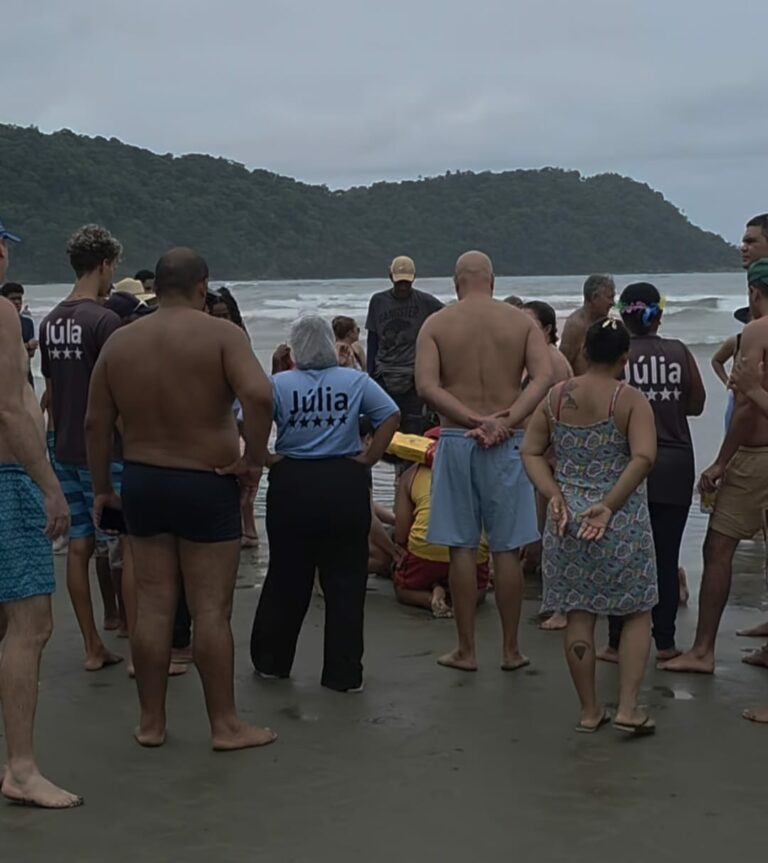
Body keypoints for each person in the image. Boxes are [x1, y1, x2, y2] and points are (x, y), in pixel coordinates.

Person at [86, 248, 275, 750]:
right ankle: (225, 725)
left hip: (145, 480)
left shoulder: (122, 342)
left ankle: (151, 724)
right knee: (210, 610)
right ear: (201, 287)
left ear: (157, 287)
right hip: (205, 481)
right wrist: (253, 459)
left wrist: (104, 487)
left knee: (152, 606)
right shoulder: (222, 336)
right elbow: (259, 396)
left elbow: (95, 423)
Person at [415, 250, 552, 672]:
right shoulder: (520, 323)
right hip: (507, 443)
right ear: (492, 280)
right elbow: (544, 377)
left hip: (457, 439)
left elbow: (426, 386)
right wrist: (506, 419)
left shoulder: (436, 324)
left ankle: (467, 650)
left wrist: (473, 419)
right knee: (508, 550)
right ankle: (510, 650)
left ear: (457, 282)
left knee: (461, 547)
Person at [522, 318, 658, 735]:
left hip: (566, 523)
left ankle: (588, 710)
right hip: (620, 522)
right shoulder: (629, 399)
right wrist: (610, 505)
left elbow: (530, 451)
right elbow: (644, 457)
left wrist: (555, 494)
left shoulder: (556, 397)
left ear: (582, 352)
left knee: (579, 614)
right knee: (635, 613)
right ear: (624, 359)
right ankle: (629, 708)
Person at [251, 316, 400, 692]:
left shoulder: (278, 384)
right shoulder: (354, 381)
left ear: (295, 350)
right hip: (342, 480)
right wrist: (369, 458)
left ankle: (272, 661)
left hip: (293, 481)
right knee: (345, 581)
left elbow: (247, 415)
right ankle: (343, 674)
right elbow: (391, 414)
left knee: (287, 576)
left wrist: (263, 456)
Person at [0, 218, 81, 809]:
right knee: (30, 626)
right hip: (7, 480)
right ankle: (22, 769)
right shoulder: (3, 314)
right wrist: (49, 487)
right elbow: (9, 409)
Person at [660, 257, 768, 676]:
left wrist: (721, 461)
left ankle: (703, 650)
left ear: (754, 293)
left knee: (718, 547)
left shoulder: (755, 332)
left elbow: (744, 405)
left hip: (755, 457)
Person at [594, 283, 705, 665]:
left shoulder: (617, 359)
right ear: (659, 315)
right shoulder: (678, 351)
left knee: (620, 555)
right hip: (675, 462)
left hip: (625, 466)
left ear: (622, 315)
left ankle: (613, 641)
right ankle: (666, 643)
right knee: (666, 554)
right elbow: (697, 404)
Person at [39, 225, 124, 672]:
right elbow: (118, 392)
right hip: (103, 454)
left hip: (64, 447)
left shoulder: (51, 321)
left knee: (79, 544)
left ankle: (93, 644)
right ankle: (132, 639)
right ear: (105, 264)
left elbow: (51, 390)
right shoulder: (104, 321)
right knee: (120, 542)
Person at [394, 428, 489, 618]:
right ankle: (456, 599)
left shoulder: (411, 474)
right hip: (472, 551)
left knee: (402, 588)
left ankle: (429, 598)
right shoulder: (480, 470)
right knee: (480, 590)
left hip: (426, 549)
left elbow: (401, 533)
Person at [521, 300, 573, 629]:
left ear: (548, 329)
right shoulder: (538, 359)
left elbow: (550, 414)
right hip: (543, 455)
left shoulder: (551, 361)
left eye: (529, 324)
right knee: (547, 530)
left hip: (553, 456)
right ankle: (553, 600)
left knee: (557, 531)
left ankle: (563, 607)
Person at [366, 256, 443, 435]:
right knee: (384, 426)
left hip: (413, 377)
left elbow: (450, 319)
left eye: (406, 283)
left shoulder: (426, 302)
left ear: (414, 278)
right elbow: (373, 339)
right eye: (399, 282)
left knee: (413, 427)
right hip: (384, 374)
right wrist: (369, 377)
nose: (402, 287)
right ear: (390, 277)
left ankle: (408, 464)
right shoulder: (378, 301)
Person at [559, 275, 616, 374]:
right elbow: (563, 365)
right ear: (594, 297)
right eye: (609, 297)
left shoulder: (605, 323)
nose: (612, 303)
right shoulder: (576, 325)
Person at [712, 307, 750, 428]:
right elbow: (717, 361)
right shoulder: (736, 341)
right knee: (732, 432)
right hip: (737, 398)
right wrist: (726, 381)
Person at [1, 282, 37, 385]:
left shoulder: (27, 323)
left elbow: (31, 353)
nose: (17, 302)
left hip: (25, 373)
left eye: (19, 299)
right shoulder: (2, 323)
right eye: (13, 299)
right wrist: (27, 345)